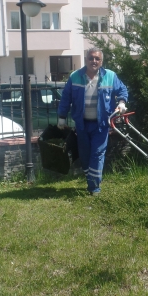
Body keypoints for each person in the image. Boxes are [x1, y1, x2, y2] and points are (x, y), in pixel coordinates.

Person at [57, 48, 127, 195]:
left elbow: (122, 90)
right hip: (82, 124)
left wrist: (121, 102)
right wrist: (62, 117)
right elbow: (66, 97)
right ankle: (91, 178)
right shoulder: (75, 77)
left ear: (101, 61)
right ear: (86, 59)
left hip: (101, 124)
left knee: (97, 153)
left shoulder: (110, 76)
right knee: (85, 155)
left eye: (97, 59)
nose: (94, 61)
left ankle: (94, 187)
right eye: (91, 58)